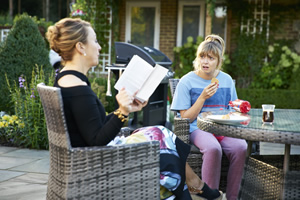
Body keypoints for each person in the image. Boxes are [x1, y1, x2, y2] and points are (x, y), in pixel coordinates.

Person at [46, 18, 223, 200]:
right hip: (95, 162)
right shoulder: (78, 88)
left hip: (84, 157)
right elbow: (97, 139)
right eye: (95, 41)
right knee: (162, 137)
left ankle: (192, 185)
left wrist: (126, 110)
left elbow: (91, 126)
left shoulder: (68, 79)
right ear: (80, 47)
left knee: (160, 133)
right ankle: (193, 186)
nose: (99, 47)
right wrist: (121, 112)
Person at [170, 34, 247, 200]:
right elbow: (186, 118)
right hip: (198, 128)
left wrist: (239, 111)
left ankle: (233, 197)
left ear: (218, 61)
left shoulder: (226, 80)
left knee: (241, 147)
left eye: (210, 58)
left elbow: (232, 108)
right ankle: (210, 196)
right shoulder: (187, 81)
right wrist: (202, 97)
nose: (205, 62)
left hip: (223, 128)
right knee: (213, 149)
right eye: (202, 57)